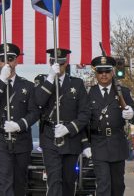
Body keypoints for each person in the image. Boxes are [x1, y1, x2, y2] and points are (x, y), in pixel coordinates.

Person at [0, 43, 40, 196]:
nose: (7, 63)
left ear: (17, 61)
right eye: (2, 59)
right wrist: (2, 78)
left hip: (21, 138)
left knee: (20, 181)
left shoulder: (27, 85)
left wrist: (19, 125)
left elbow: (34, 112)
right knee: (4, 180)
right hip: (0, 138)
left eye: (11, 58)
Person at [34, 48, 89, 196]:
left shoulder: (77, 84)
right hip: (49, 136)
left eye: (61, 63)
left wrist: (69, 128)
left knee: (68, 180)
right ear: (49, 62)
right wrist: (51, 78)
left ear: (67, 63)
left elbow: (85, 114)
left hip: (70, 137)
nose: (58, 65)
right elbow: (38, 102)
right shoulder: (42, 80)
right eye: (53, 62)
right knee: (54, 179)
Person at [84, 55, 134, 195]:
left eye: (107, 71)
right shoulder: (88, 93)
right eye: (100, 72)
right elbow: (83, 121)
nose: (104, 75)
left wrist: (132, 114)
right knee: (103, 184)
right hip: (98, 144)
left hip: (117, 144)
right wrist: (85, 144)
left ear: (112, 72)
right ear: (95, 73)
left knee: (118, 186)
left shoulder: (123, 92)